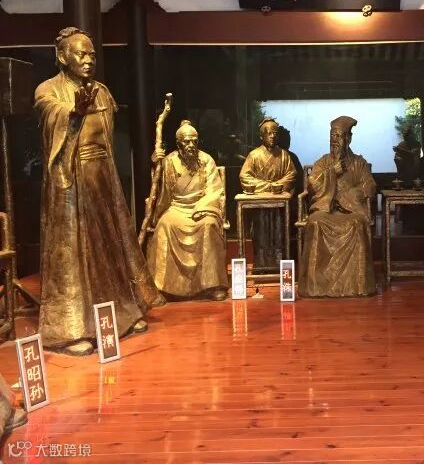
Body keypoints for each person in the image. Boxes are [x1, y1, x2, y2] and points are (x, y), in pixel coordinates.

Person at [35, 27, 161, 357]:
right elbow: (50, 117)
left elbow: (107, 137)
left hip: (101, 175)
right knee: (74, 252)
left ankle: (122, 314)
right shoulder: (48, 90)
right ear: (62, 56)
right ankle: (71, 329)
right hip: (69, 180)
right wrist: (74, 112)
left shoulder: (102, 91)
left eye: (92, 54)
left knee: (109, 245)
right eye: (81, 54)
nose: (89, 60)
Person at [147, 120, 229, 301]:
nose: (191, 145)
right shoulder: (169, 161)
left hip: (201, 207)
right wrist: (156, 165)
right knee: (164, 225)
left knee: (208, 225)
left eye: (194, 141)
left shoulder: (207, 160)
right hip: (176, 207)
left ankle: (212, 285)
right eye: (186, 141)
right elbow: (162, 192)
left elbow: (215, 190)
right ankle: (162, 286)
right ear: (179, 144)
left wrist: (203, 207)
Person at [299, 116, 376, 297]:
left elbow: (369, 185)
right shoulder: (323, 162)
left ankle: (357, 286)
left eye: (339, 136)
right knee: (315, 223)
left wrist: (347, 197)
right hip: (326, 210)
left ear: (348, 138)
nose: (334, 140)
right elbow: (311, 186)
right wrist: (332, 172)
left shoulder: (358, 163)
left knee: (357, 224)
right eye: (332, 136)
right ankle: (314, 286)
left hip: (351, 210)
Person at [239, 118, 296, 270]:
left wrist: (279, 185)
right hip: (260, 205)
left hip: (279, 205)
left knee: (279, 233)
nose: (272, 136)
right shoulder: (254, 155)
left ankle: (279, 266)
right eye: (268, 133)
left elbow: (291, 174)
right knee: (261, 233)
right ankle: (261, 266)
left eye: (274, 133)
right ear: (261, 136)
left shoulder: (284, 155)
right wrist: (268, 186)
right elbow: (244, 176)